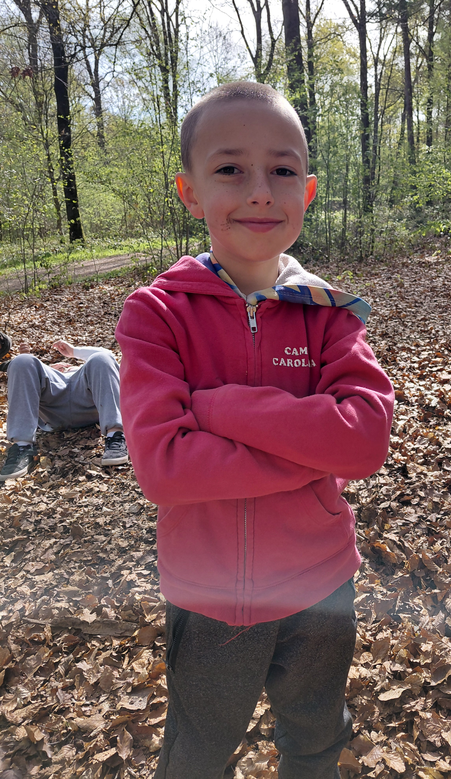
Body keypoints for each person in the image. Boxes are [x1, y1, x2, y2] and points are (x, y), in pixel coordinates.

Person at [115, 81, 394, 779]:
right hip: (209, 597)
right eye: (231, 169)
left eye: (283, 169)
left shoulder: (329, 313)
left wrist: (219, 408)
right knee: (198, 751)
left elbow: (364, 440)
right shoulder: (157, 314)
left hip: (320, 585)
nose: (261, 192)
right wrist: (312, 448)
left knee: (315, 738)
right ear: (189, 192)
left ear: (309, 189)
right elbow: (164, 467)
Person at [0, 338, 128, 480]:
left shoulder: (85, 370)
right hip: (52, 403)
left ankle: (115, 435)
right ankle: (22, 447)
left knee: (102, 358)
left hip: (86, 397)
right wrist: (26, 361)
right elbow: (28, 373)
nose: (63, 367)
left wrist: (74, 351)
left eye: (65, 366)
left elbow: (107, 355)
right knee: (21, 361)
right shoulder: (48, 372)